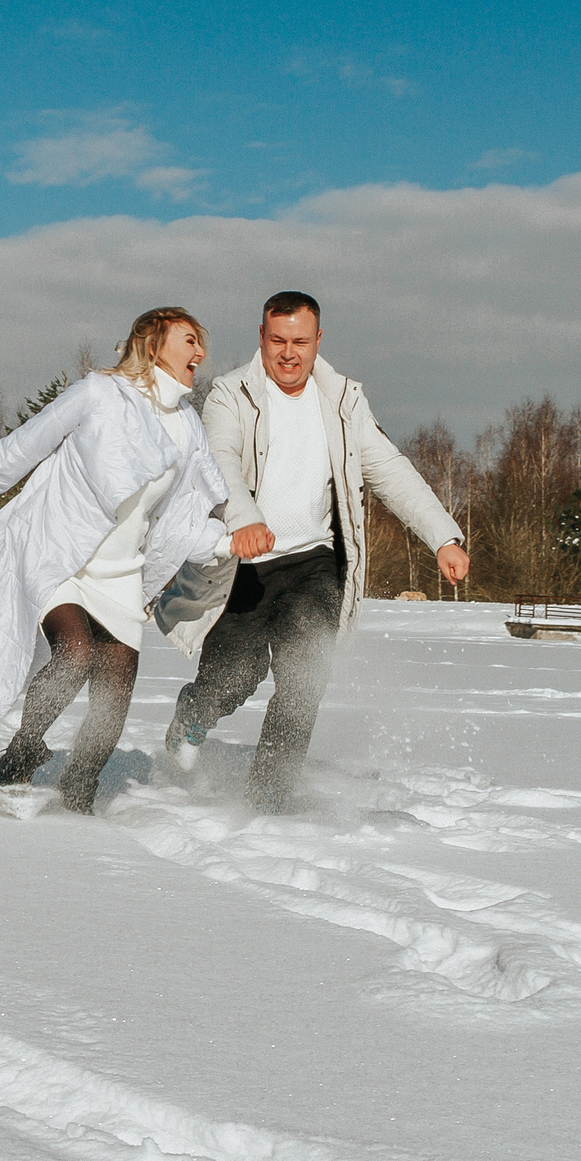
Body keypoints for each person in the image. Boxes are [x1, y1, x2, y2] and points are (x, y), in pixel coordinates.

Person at [0, 307, 245, 814]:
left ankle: (79, 792)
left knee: (114, 695)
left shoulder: (188, 428)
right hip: (61, 551)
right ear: (153, 345)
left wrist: (227, 543)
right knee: (76, 653)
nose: (201, 353)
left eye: (201, 344)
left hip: (123, 573)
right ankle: (21, 753)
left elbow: (181, 517)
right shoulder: (98, 394)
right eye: (190, 340)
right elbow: (29, 443)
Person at [160, 290, 470, 812]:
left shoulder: (343, 400)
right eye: (277, 340)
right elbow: (221, 462)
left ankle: (267, 800)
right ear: (261, 337)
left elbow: (389, 468)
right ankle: (195, 712)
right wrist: (246, 520)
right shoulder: (229, 395)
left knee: (305, 677)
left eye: (300, 341)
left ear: (318, 340)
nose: (288, 353)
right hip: (245, 566)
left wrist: (442, 535)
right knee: (233, 678)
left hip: (315, 564)